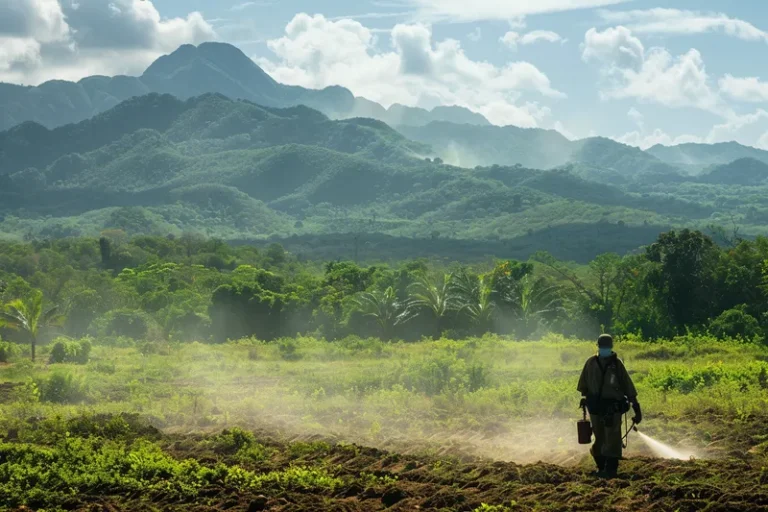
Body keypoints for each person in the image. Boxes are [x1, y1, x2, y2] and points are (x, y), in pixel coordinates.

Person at [577, 334, 641, 479]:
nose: (604, 349)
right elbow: (583, 387)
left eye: (606, 347)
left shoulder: (617, 365)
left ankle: (611, 470)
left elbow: (628, 387)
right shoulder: (590, 363)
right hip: (595, 408)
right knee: (599, 437)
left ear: (611, 347)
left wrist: (636, 408)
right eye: (602, 347)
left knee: (612, 439)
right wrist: (585, 400)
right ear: (598, 346)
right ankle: (601, 467)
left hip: (613, 408)